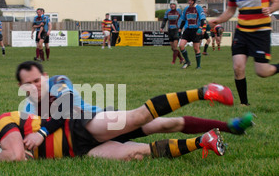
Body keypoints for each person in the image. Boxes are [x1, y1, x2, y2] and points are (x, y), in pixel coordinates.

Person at [0, 82, 236, 162]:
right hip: (81, 150)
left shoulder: (2, 122)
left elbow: (16, 157)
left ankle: (203, 91)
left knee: (141, 117)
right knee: (141, 153)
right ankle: (203, 141)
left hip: (80, 125)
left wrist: (1, 156)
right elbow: (14, 155)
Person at [15, 61, 253, 150]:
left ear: (45, 76)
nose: (35, 86)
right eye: (29, 84)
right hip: (85, 145)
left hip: (103, 122)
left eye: (37, 80)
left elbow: (64, 107)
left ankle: (227, 121)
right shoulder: (25, 110)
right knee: (139, 153)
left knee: (166, 124)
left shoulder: (58, 82)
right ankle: (203, 142)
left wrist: (43, 131)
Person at [210, 0, 279, 106]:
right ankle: (243, 104)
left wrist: (271, 8)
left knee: (262, 72)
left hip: (261, 32)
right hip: (242, 32)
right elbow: (230, 11)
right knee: (238, 67)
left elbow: (276, 1)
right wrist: (217, 20)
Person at [178, 0, 207, 69]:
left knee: (196, 48)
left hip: (196, 30)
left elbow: (203, 20)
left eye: (190, 0)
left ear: (194, 1)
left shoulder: (199, 8)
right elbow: (184, 20)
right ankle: (187, 61)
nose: (189, 2)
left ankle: (198, 66)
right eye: (189, 0)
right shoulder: (186, 9)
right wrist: (180, 28)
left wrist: (201, 28)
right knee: (181, 45)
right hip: (187, 30)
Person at [160, 0, 184, 64]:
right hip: (170, 30)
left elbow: (183, 20)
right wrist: (162, 27)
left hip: (177, 29)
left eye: (173, 4)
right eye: (171, 4)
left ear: (176, 5)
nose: (172, 5)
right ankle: (181, 59)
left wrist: (181, 28)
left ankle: (173, 61)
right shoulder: (168, 12)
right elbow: (164, 20)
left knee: (175, 46)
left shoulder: (179, 11)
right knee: (172, 48)